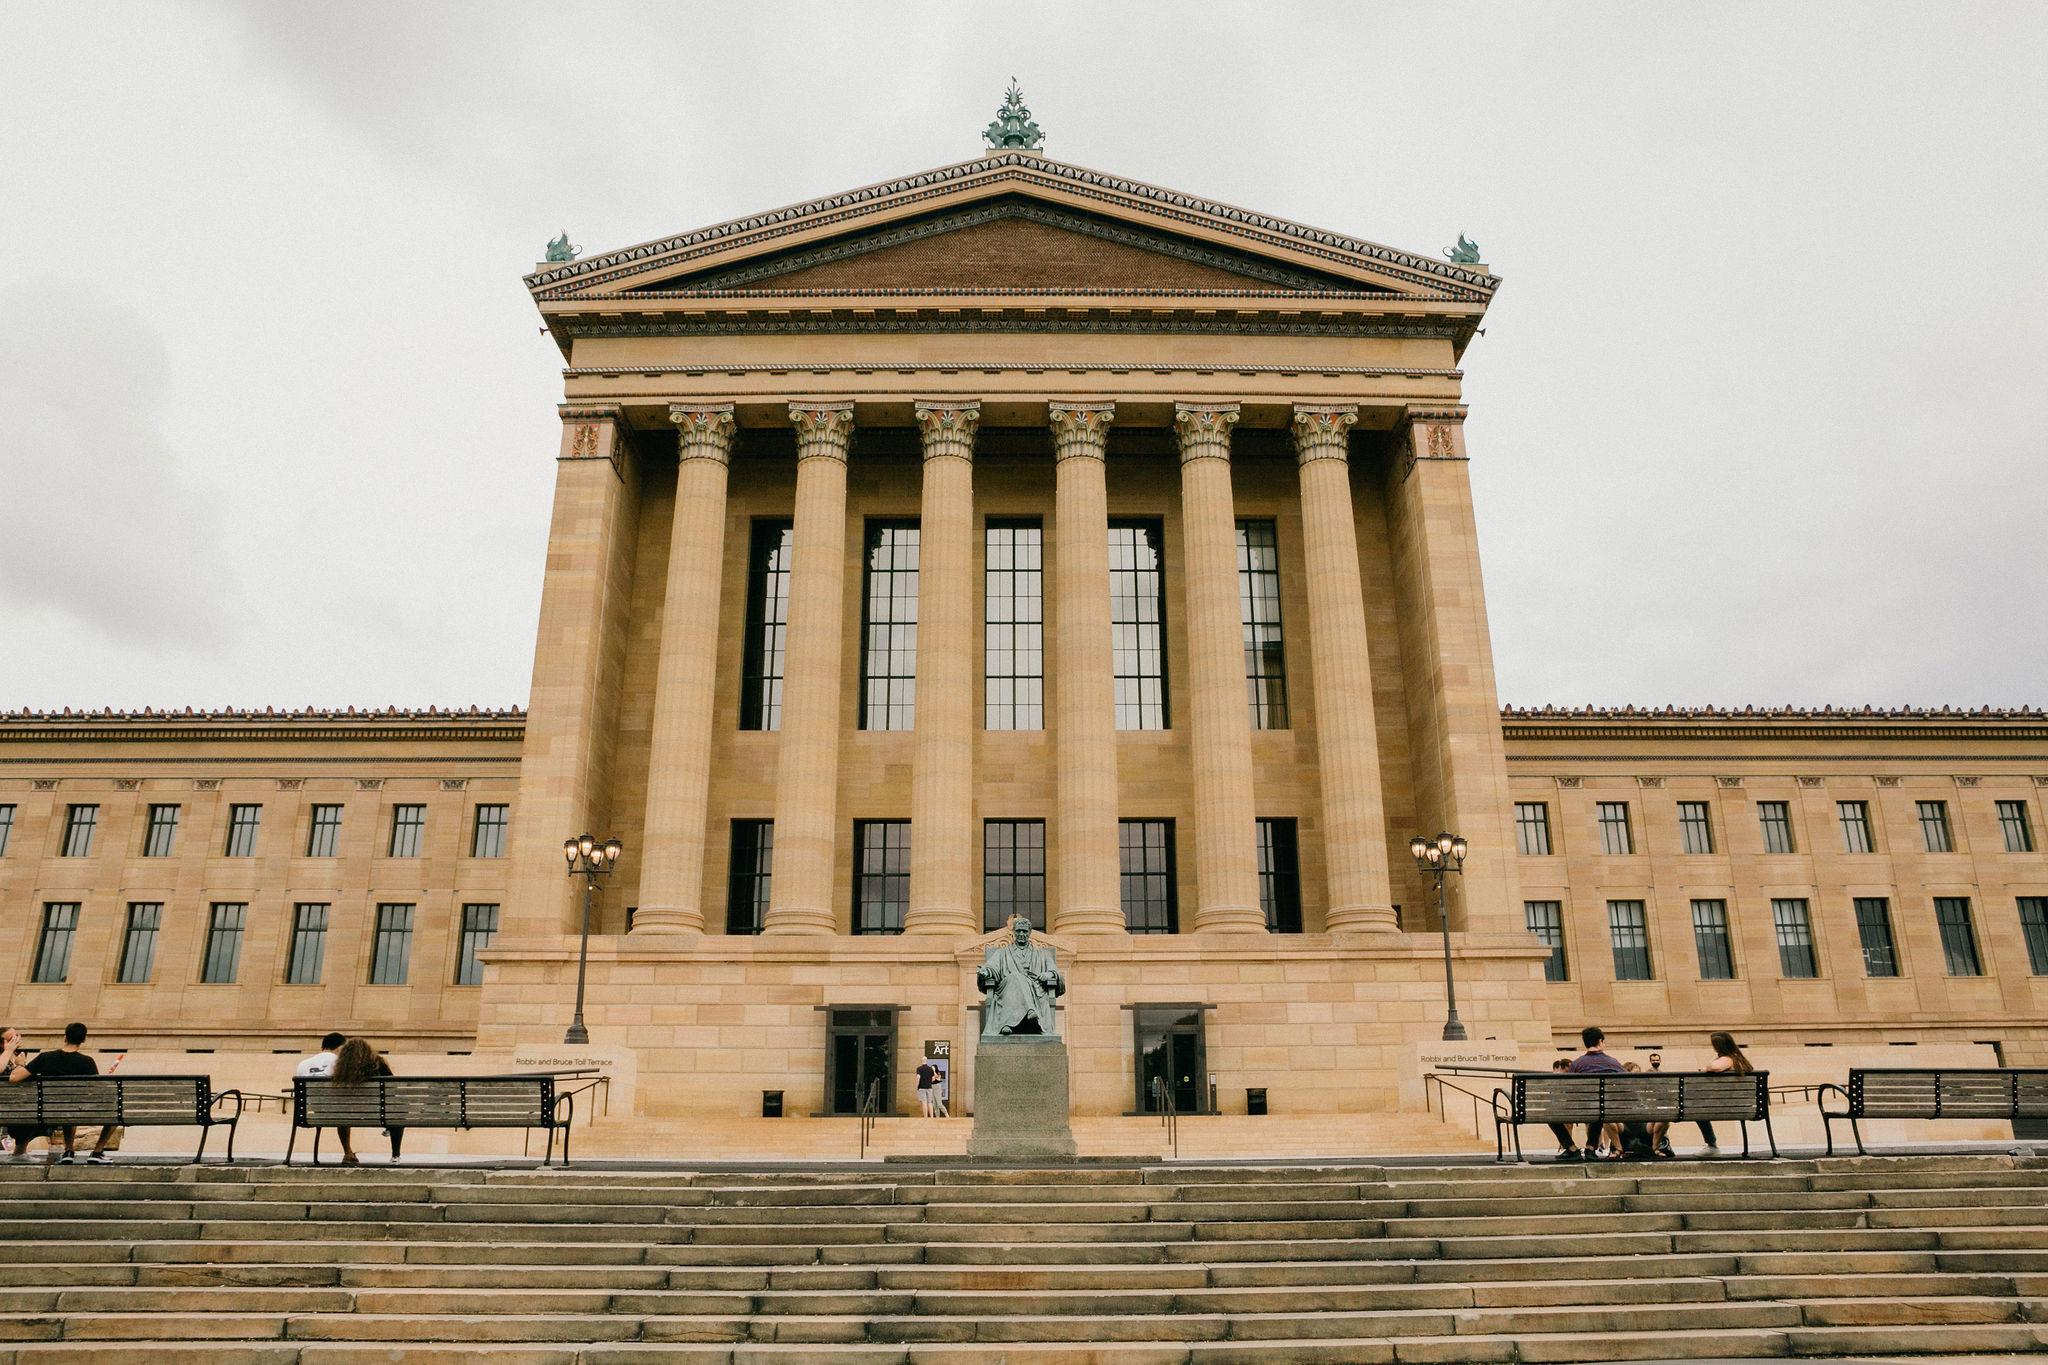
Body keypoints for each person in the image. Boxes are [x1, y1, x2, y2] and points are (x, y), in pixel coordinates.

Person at [6, 1022, 115, 1164]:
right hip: (75, 1110)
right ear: (83, 1040)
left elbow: (14, 1078)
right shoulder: (87, 1062)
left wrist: (20, 1063)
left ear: (65, 1037)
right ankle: (97, 1152)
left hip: (45, 1110)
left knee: (64, 1107)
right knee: (115, 1112)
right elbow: (94, 1091)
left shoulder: (45, 1058)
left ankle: (69, 1151)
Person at [976, 917, 1065, 1037]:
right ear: (1013, 932)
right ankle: (1030, 1012)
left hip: (1035, 989)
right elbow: (992, 968)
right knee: (1015, 977)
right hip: (1008, 988)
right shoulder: (1002, 953)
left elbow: (1055, 973)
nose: (1021, 934)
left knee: (1017, 977)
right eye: (1018, 931)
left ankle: (1007, 1024)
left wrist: (1049, 974)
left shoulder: (1042, 954)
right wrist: (986, 972)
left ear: (1030, 932)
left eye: (1024, 931)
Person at [331, 1038, 401, 1164]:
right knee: (399, 1110)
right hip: (379, 1113)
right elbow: (392, 1088)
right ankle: (395, 1155)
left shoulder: (342, 1070)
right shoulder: (379, 1063)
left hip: (348, 1114)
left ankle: (347, 1152)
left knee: (343, 1111)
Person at [1567, 1026, 1625, 1157]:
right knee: (1601, 1108)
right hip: (1608, 1108)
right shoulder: (1613, 1063)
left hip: (1583, 1109)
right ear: (1600, 1041)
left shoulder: (1577, 1064)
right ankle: (1590, 1147)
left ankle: (1570, 1147)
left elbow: (1569, 1090)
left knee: (1596, 1107)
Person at [1695, 1031, 1754, 1156]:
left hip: (1728, 1106)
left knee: (1695, 1108)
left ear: (1719, 1046)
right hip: (1745, 1105)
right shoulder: (1739, 1059)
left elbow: (1714, 1067)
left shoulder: (1728, 1059)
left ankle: (1712, 1145)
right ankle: (1712, 1145)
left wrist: (1708, 1065)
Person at [1546, 1057, 1584, 1161]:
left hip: (1557, 1110)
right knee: (1567, 1124)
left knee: (1552, 1120)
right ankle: (1590, 1147)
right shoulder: (1569, 1078)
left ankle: (1570, 1147)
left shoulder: (1555, 1077)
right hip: (1574, 1109)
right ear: (1566, 1067)